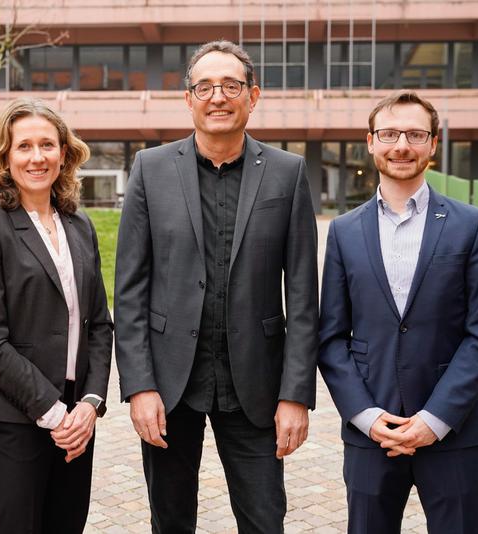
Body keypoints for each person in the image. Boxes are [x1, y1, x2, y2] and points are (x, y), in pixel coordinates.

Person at [114, 40, 319, 533]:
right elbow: (130, 290)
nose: (218, 96)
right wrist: (139, 386)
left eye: (231, 85)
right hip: (169, 387)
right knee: (171, 520)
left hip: (257, 388)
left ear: (254, 96)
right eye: (204, 86)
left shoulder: (288, 174)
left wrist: (296, 396)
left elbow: (305, 299)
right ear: (189, 99)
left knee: (265, 520)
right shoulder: (150, 168)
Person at [318, 90, 478, 534]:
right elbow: (331, 338)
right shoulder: (344, 232)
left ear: (433, 144)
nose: (402, 144)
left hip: (452, 431)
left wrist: (433, 420)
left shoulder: (471, 225)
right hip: (370, 433)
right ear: (371, 141)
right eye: (390, 133)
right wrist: (366, 416)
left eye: (415, 134)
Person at [0, 97, 113, 533]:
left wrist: (90, 403)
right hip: (18, 421)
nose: (37, 157)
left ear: (64, 153)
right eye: (23, 146)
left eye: (47, 145)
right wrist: (54, 412)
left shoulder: (79, 225)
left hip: (78, 422)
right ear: (5, 157)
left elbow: (99, 323)